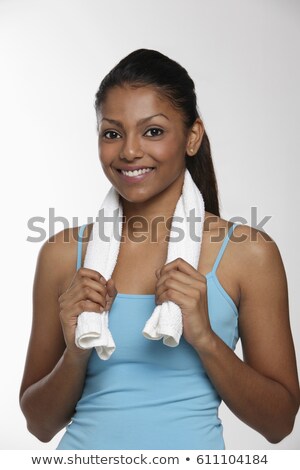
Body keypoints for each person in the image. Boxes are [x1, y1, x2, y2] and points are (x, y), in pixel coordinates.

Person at [19, 48, 299, 450]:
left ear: (192, 136)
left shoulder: (247, 254)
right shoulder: (63, 254)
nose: (130, 151)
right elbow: (39, 424)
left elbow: (279, 423)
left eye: (153, 131)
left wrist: (204, 337)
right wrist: (77, 349)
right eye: (112, 133)